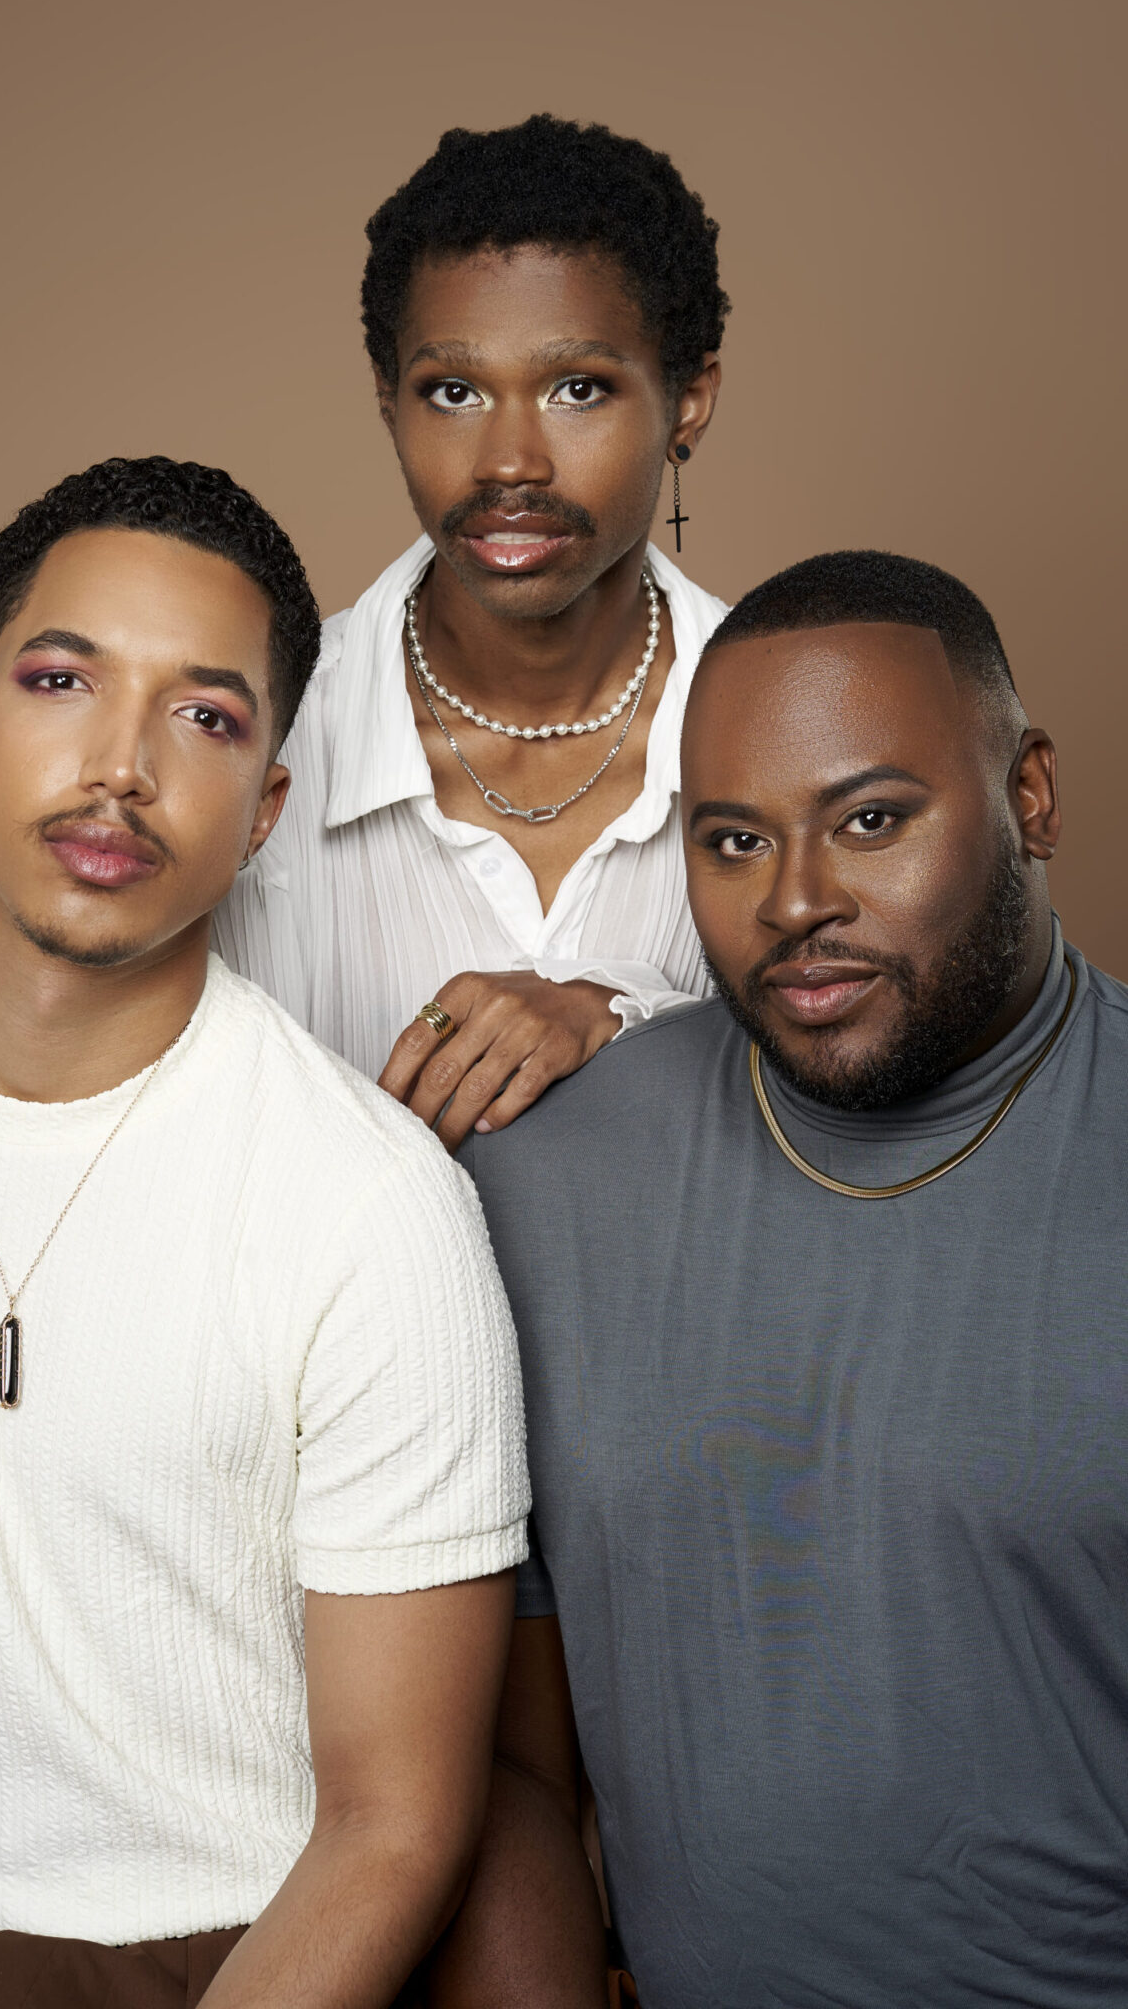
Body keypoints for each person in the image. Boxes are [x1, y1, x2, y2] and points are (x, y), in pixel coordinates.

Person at [0, 456, 530, 2009]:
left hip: (242, 1964)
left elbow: (393, 1829)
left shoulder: (372, 1209)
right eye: (62, 681)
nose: (120, 765)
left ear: (266, 811)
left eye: (206, 718)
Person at [448, 550, 1128, 2007]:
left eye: (870, 819)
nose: (794, 901)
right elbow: (510, 1773)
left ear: (1029, 796)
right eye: (733, 840)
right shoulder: (545, 1181)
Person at [214, 114, 730, 1150]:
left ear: (688, 401)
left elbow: (887, 1096)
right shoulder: (254, 733)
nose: (508, 462)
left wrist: (629, 1014)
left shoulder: (800, 734)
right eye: (453, 392)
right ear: (389, 403)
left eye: (577, 388)